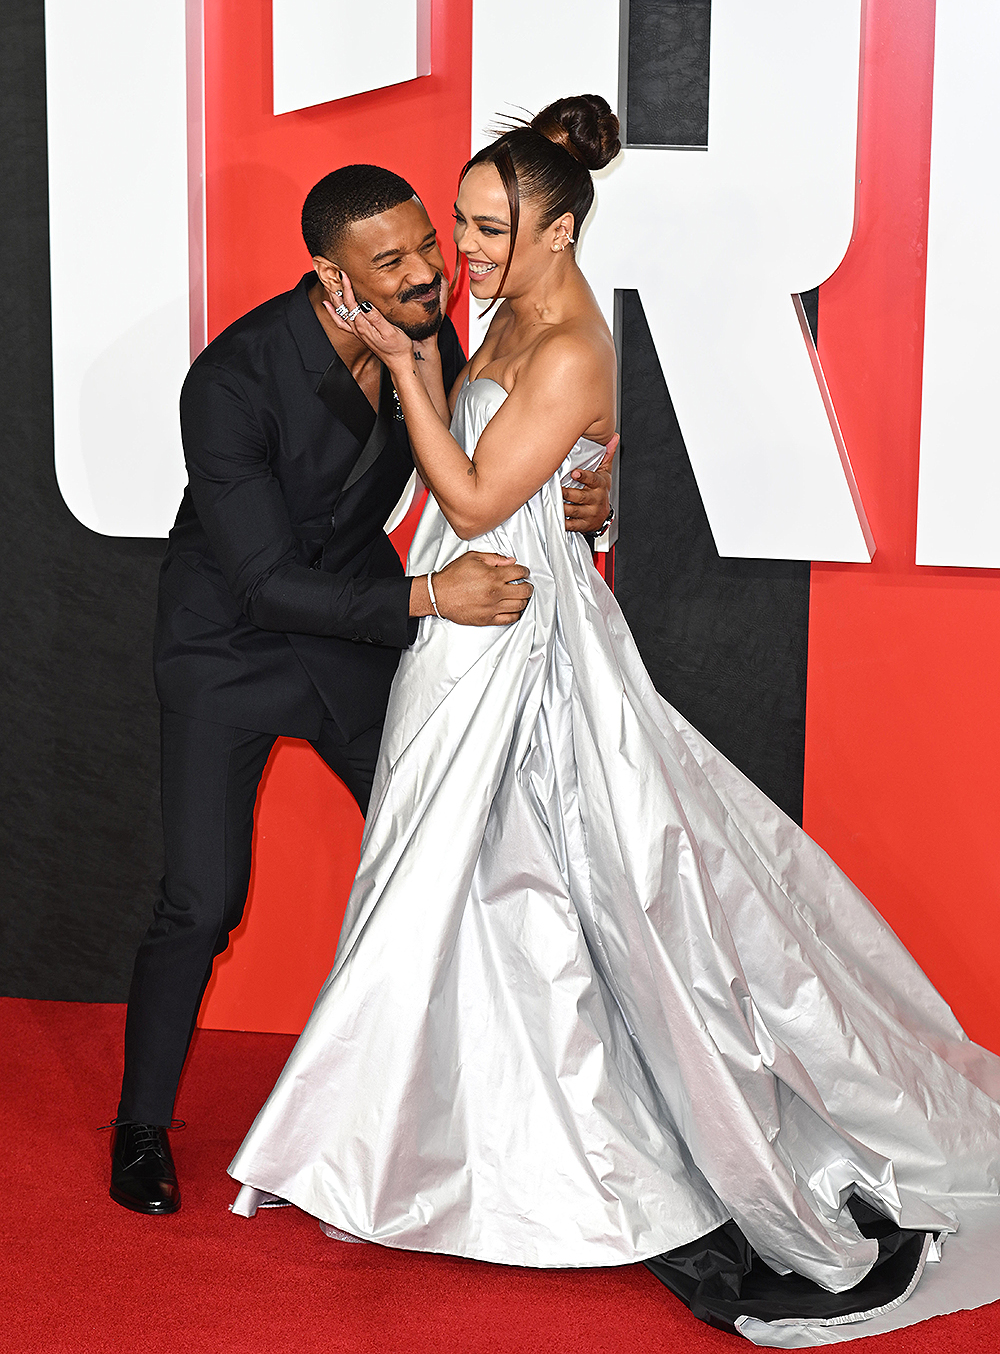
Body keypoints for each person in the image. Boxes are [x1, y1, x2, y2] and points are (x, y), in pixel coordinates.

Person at [228, 97, 1000, 1340]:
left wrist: (423, 374)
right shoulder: (516, 314)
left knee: (535, 888)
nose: (458, 254)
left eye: (486, 230)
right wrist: (577, 481)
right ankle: (458, 1150)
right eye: (461, 224)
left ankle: (621, 1171)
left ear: (559, 231)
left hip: (512, 638)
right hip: (477, 627)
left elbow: (476, 495)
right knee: (481, 893)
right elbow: (547, 477)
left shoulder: (570, 337)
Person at [109, 163, 614, 1217]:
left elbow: (480, 456)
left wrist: (583, 493)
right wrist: (430, 594)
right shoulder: (232, 380)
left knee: (450, 847)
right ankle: (141, 1125)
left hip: (356, 641)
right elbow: (259, 577)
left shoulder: (427, 329)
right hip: (229, 649)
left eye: (428, 242)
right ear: (331, 277)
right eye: (392, 262)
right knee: (203, 899)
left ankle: (466, 1103)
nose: (430, 271)